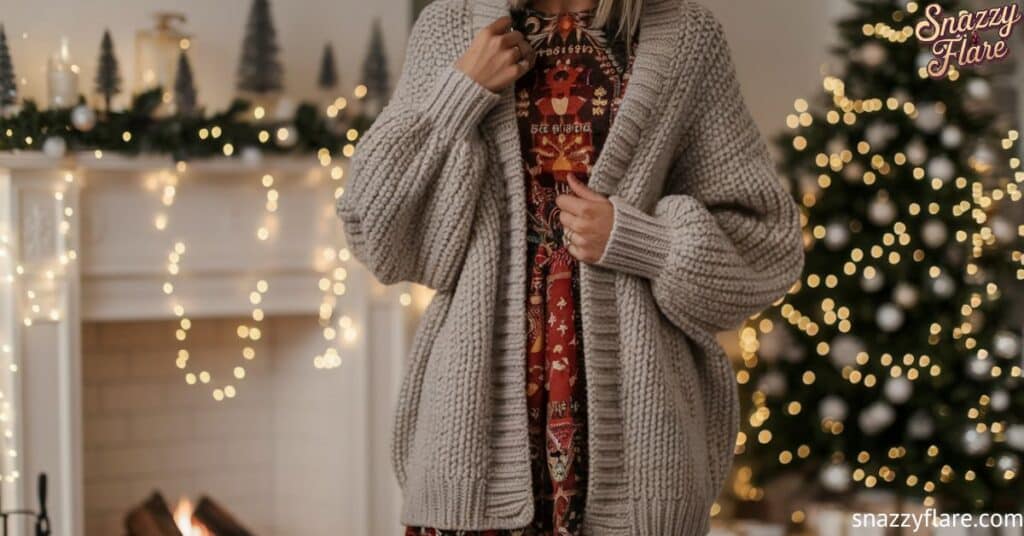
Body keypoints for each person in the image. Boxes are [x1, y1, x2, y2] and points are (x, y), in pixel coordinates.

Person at [336, 0, 804, 533]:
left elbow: (767, 242)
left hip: (640, 431)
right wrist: (460, 92)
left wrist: (639, 239)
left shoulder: (685, 36)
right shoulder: (451, 25)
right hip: (470, 418)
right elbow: (371, 224)